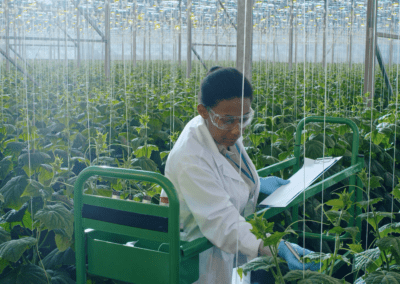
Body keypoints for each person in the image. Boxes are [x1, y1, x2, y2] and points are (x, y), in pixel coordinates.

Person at [160, 67, 318, 284]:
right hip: (199, 261)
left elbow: (227, 173)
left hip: (226, 253)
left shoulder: (218, 130)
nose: (237, 130)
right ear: (203, 111)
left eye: (243, 119)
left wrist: (256, 184)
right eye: (228, 121)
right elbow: (222, 222)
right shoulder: (190, 157)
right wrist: (274, 245)